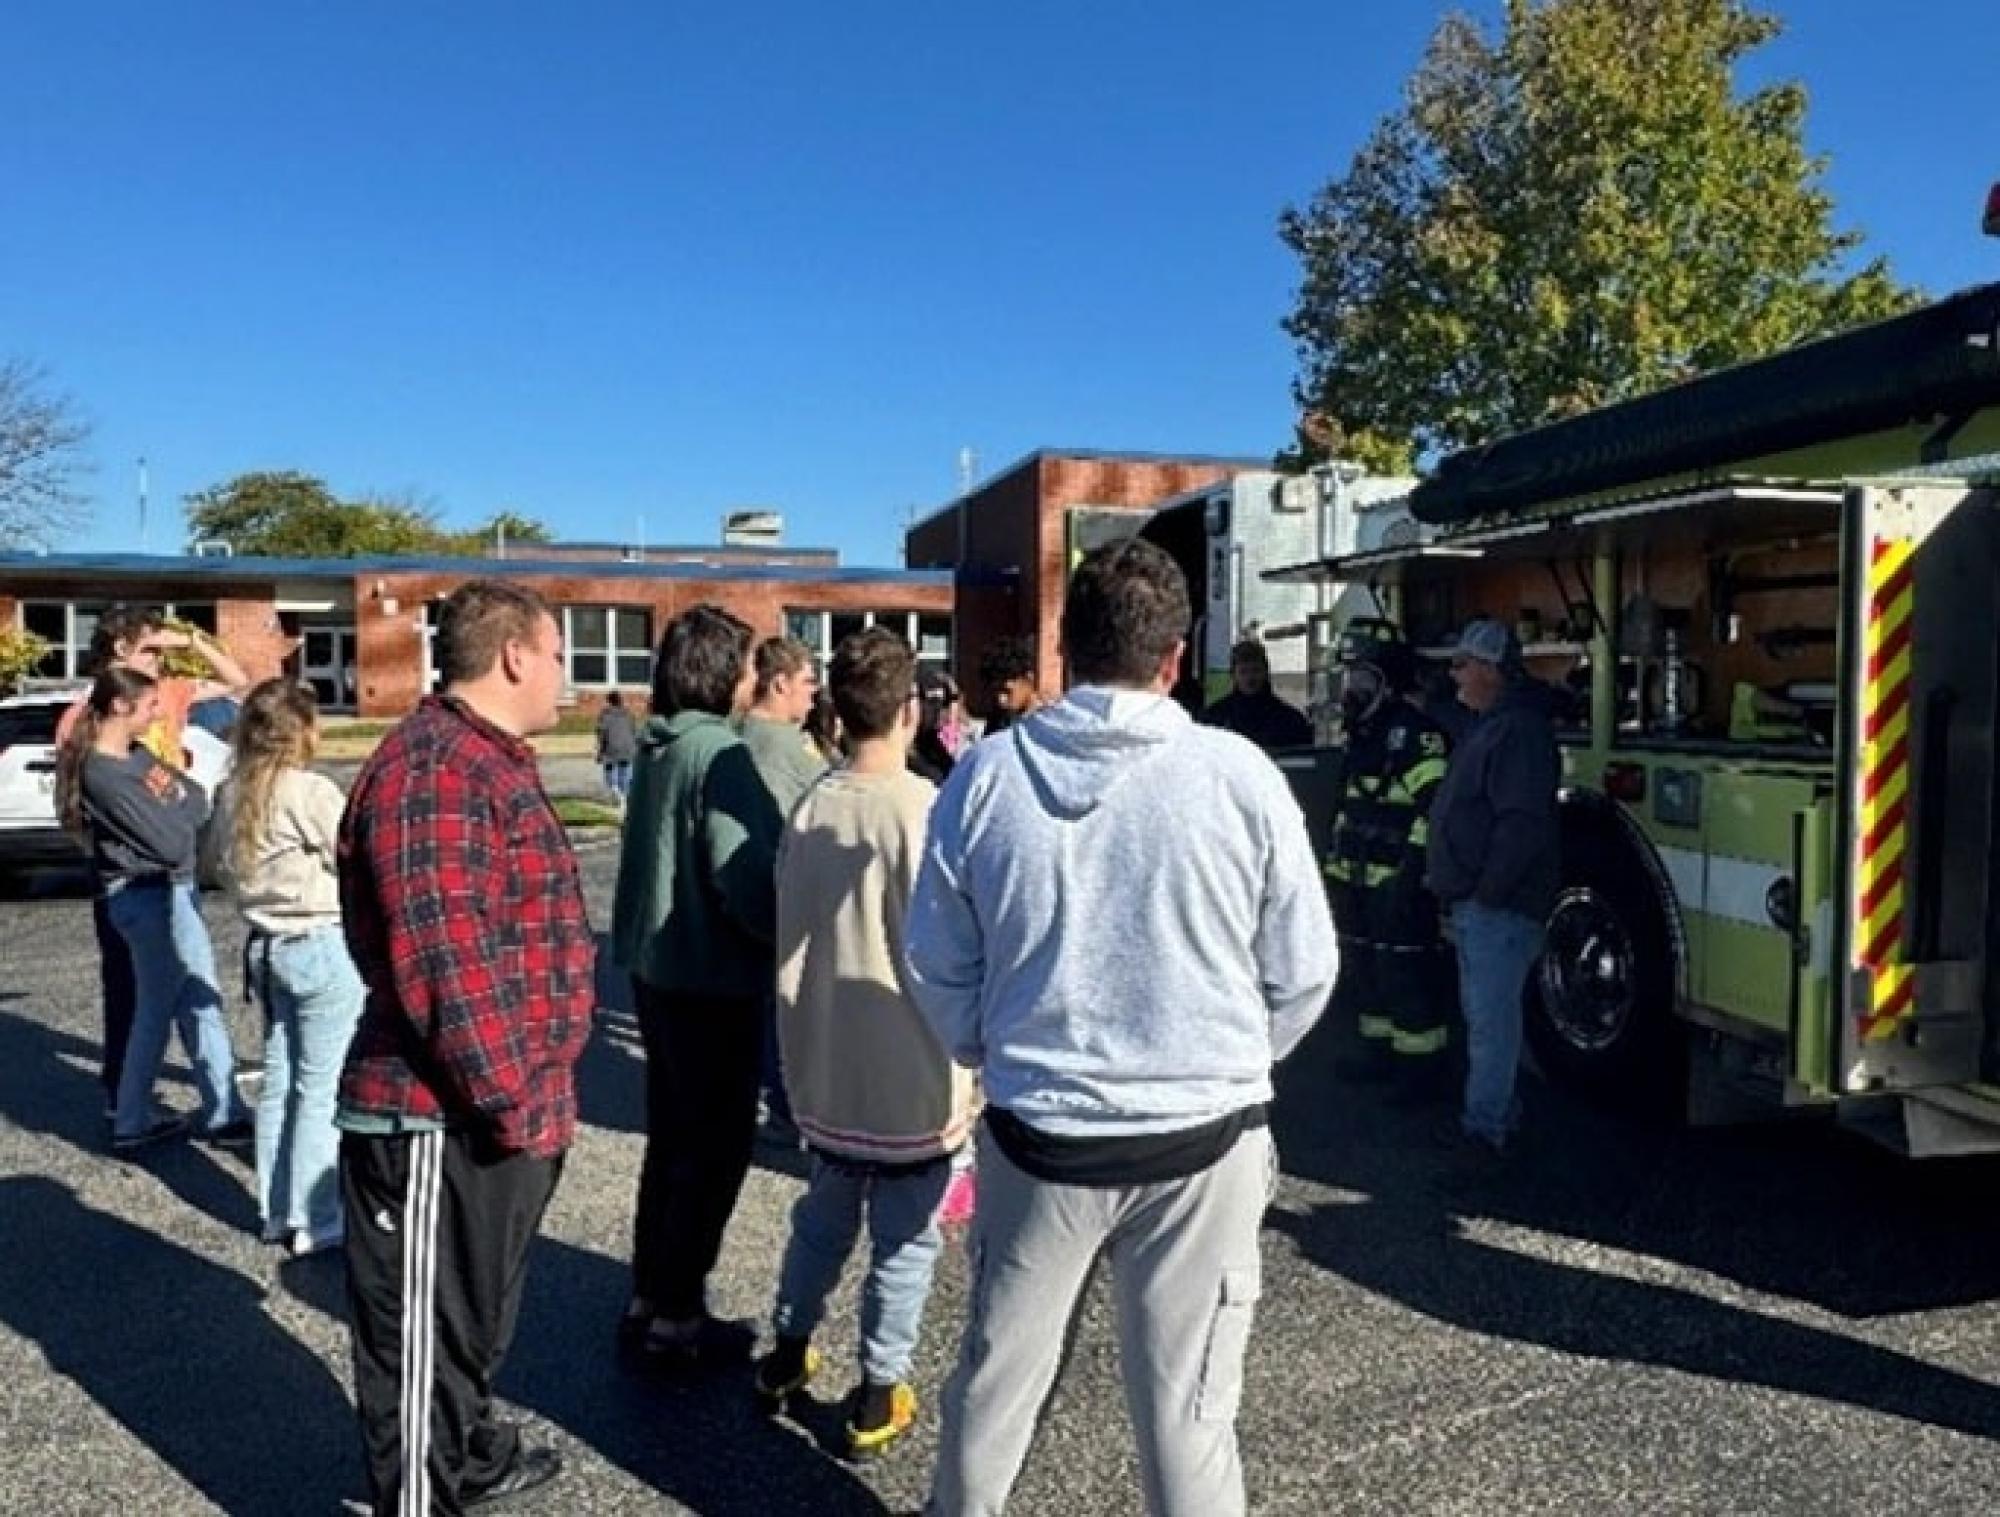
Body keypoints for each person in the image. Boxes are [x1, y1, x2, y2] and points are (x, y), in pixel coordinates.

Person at [906, 539, 1338, 1517]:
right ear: (1176, 657)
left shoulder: (983, 778)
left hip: (1038, 1136)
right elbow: (1304, 966)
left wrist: (991, 1046)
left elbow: (934, 959)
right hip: (1203, 1140)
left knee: (992, 1385)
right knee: (1188, 1415)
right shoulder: (1239, 776)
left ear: (1061, 650)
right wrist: (1231, 1056)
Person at [336, 580, 593, 1515]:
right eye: (562, 652)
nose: (567, 673)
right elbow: (445, 955)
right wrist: (516, 1101)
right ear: (517, 654)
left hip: (493, 1113)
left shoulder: (486, 760)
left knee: (471, 1329)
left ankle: (471, 1457)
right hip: (437, 1115)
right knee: (423, 1350)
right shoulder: (438, 768)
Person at [754, 627, 978, 1460]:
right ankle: (879, 1384)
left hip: (823, 1060)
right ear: (912, 710)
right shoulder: (925, 810)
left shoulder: (811, 804)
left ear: (838, 711)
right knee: (905, 1239)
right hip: (911, 1065)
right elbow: (954, 944)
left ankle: (785, 1347)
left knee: (822, 1217)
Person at [610, 604, 783, 1369]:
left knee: (672, 1138)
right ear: (722, 671)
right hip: (713, 977)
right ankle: (679, 1311)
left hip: (656, 972)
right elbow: (743, 872)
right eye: (747, 664)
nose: (754, 678)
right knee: (717, 1150)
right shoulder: (722, 753)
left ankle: (651, 1290)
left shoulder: (655, 745)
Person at [61, 606, 250, 1126]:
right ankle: (127, 1104)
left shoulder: (156, 710)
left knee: (167, 1000)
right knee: (138, 994)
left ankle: (148, 1109)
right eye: (151, 650)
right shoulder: (92, 731)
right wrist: (168, 816)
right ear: (120, 653)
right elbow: (98, 808)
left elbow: (238, 685)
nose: (161, 664)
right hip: (134, 874)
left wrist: (190, 639)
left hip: (168, 869)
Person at [207, 679, 365, 1257]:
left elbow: (215, 864)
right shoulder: (309, 790)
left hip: (264, 943)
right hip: (319, 937)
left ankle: (277, 1209)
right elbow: (352, 853)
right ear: (303, 730)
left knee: (280, 1081)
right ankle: (317, 1217)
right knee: (321, 1088)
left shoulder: (231, 792)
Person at [1425, 618, 1561, 1157]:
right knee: (1494, 1019)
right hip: (1486, 905)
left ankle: (1486, 1134)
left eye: (1462, 665)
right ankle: (1500, 1114)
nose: (1454, 675)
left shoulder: (1515, 731)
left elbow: (1521, 824)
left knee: (1490, 1024)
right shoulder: (1495, 724)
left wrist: (1486, 893)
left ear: (1489, 670)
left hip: (1498, 909)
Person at [1323, 621, 1456, 1099]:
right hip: (1355, 878)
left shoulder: (1413, 735)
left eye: (1363, 679)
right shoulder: (1363, 733)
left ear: (1389, 682)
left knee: (1406, 977)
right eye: (1349, 679)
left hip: (1397, 882)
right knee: (1366, 971)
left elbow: (1434, 811)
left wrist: (1412, 876)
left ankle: (1420, 1073)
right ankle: (1377, 1055)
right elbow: (1345, 808)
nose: (1351, 690)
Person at [738, 636, 829, 1135]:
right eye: (808, 681)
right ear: (779, 683)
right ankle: (785, 1110)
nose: (815, 693)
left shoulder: (753, 736)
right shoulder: (774, 746)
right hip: (781, 902)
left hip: (767, 904)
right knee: (782, 1011)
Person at [1198, 638, 1314, 751]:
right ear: (1233, 675)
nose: (1250, 678)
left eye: (1256, 670)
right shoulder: (1215, 719)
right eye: (1243, 672)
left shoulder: (1290, 721)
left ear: (1265, 672)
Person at [977, 636, 1042, 734]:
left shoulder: (1048, 722)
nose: (1001, 700)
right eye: (995, 692)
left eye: (1007, 691)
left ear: (1029, 678)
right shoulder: (996, 724)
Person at [907, 665, 960, 785]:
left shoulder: (937, 749)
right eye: (932, 702)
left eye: (943, 703)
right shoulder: (903, 751)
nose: (939, 709)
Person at [596, 689, 640, 802]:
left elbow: (601, 732)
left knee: (609, 766)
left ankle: (614, 789)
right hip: (628, 746)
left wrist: (600, 750)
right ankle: (624, 792)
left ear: (609, 701)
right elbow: (634, 730)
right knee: (625, 767)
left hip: (611, 746)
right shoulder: (629, 714)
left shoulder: (605, 715)